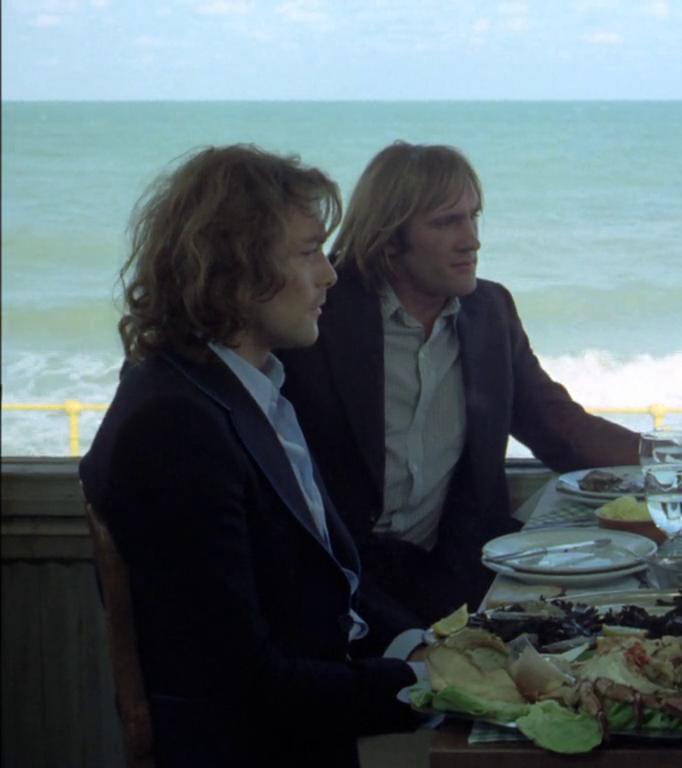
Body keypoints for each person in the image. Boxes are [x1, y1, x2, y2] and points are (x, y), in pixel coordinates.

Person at [277, 142, 682, 624]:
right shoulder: (317, 317)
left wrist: (675, 459)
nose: (471, 240)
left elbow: (557, 425)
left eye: (473, 217)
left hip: (455, 572)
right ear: (390, 238)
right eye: (446, 222)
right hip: (339, 582)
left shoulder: (488, 312)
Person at [79, 145, 432, 768]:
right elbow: (242, 684)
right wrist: (432, 689)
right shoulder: (173, 426)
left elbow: (329, 584)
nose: (328, 275)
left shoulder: (241, 390)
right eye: (308, 252)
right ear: (234, 268)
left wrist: (421, 647)